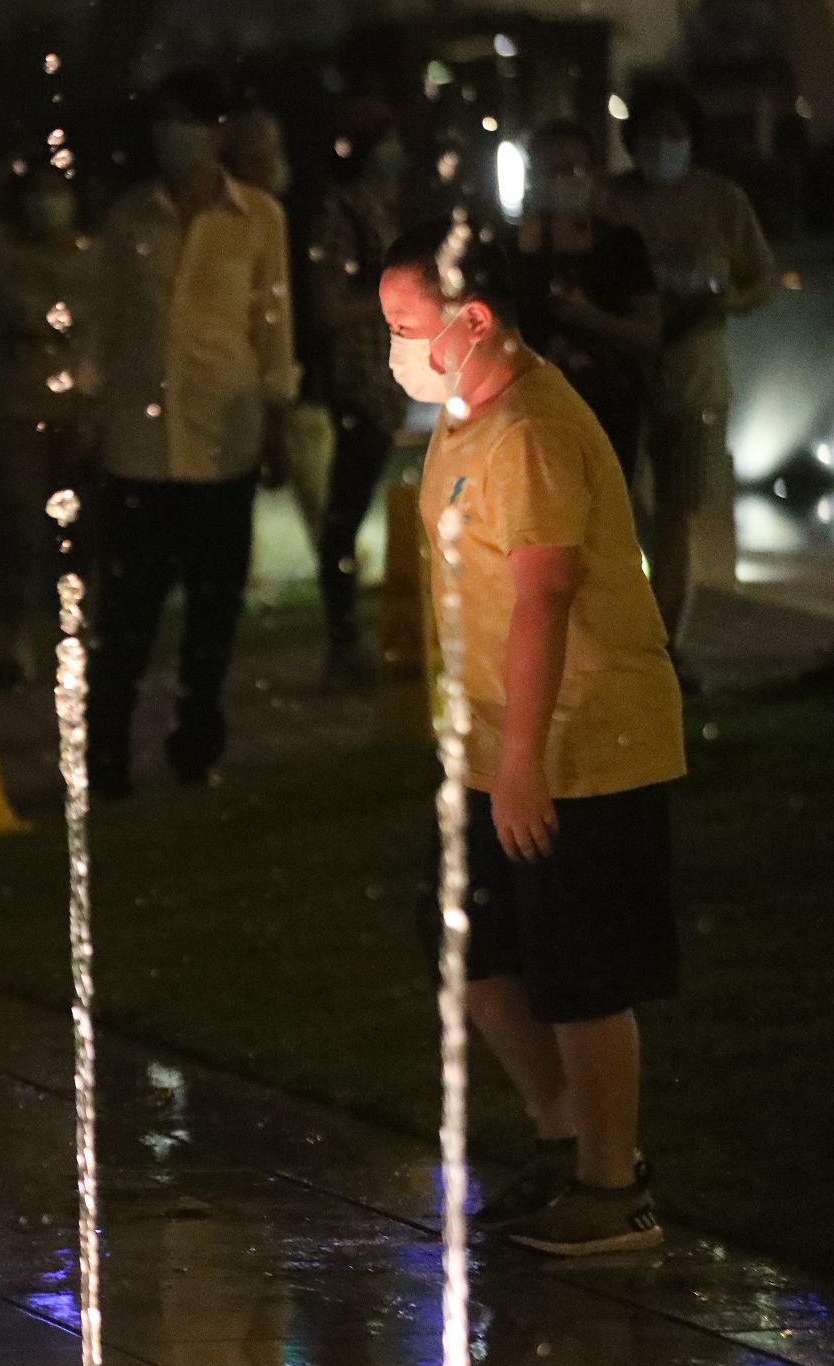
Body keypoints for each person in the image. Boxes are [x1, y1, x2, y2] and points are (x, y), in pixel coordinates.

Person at [381, 218, 683, 1255]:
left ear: (471, 319)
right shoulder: (467, 417)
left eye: (405, 324)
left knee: (582, 970)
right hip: (491, 745)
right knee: (468, 943)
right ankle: (565, 1141)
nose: (395, 348)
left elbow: (544, 600)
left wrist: (522, 771)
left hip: (578, 750)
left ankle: (615, 1185)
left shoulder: (535, 433)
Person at [84, 71, 296, 797]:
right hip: (140, 446)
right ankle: (105, 753)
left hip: (223, 440)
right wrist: (88, 406)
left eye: (189, 121)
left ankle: (196, 744)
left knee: (214, 610)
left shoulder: (259, 217)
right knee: (129, 615)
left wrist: (277, 417)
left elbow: (272, 325)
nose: (173, 136)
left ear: (218, 131)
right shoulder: (129, 219)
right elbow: (102, 324)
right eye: (164, 122)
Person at [606, 81, 774, 647]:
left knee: (677, 514)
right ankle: (627, 630)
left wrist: (721, 301)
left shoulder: (723, 201)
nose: (662, 146)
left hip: (694, 379)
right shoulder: (611, 203)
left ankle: (665, 642)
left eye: (673, 134)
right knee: (622, 508)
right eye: (650, 135)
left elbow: (761, 278)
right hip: (622, 379)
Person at [0, 160, 101, 689]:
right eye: (38, 193)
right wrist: (1, 170)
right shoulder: (6, 253)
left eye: (56, 191)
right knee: (17, 521)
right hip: (14, 398)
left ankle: (76, 631)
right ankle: (12, 638)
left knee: (78, 526)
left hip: (77, 398)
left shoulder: (92, 255)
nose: (47, 203)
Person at [304, 102, 411, 684]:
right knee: (343, 515)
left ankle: (346, 641)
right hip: (357, 381)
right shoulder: (340, 214)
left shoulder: (379, 210)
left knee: (348, 509)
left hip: (381, 380)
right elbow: (328, 309)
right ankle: (343, 643)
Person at [512, 120, 659, 485]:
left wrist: (589, 317)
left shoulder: (620, 245)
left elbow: (650, 334)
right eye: (550, 170)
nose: (562, 180)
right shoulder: (513, 246)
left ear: (594, 174)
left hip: (607, 413)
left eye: (573, 170)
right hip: (531, 418)